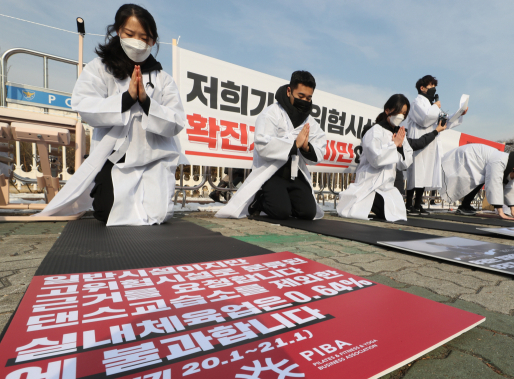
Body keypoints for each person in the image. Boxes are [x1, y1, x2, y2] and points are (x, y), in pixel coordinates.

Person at [36, 4, 185, 225]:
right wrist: (126, 99)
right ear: (117, 32)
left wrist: (145, 102)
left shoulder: (163, 78)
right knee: (109, 214)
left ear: (153, 41)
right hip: (114, 157)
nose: (137, 42)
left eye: (144, 37)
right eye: (130, 34)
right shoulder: (101, 68)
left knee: (158, 215)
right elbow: (84, 104)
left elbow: (176, 121)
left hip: (155, 159)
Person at [216, 71, 326, 220]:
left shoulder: (309, 121)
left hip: (295, 174)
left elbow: (320, 146)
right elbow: (262, 145)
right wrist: (294, 144)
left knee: (308, 213)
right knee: (280, 212)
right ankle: (260, 200)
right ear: (289, 91)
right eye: (301, 97)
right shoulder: (271, 113)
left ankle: (286, 201)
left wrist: (306, 148)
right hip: (273, 173)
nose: (305, 101)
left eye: (309, 98)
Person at [337, 94, 414, 221]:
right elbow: (376, 159)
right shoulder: (374, 131)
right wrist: (394, 144)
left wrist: (399, 147)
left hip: (387, 186)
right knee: (383, 211)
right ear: (388, 110)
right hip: (369, 184)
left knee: (397, 214)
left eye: (404, 113)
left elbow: (404, 164)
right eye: (398, 111)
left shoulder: (400, 134)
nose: (401, 116)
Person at [404, 75, 467, 214]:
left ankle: (418, 204)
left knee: (425, 174)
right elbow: (425, 119)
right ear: (422, 88)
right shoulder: (417, 102)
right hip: (418, 141)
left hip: (430, 142)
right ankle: (409, 204)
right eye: (431, 86)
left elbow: (444, 121)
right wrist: (435, 107)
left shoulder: (432, 105)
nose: (434, 89)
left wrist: (459, 113)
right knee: (415, 173)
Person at [440, 144, 514, 219]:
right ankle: (464, 206)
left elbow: (508, 187)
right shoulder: (499, 162)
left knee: (479, 179)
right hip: (467, 157)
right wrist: (500, 212)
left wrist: (513, 210)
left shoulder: (510, 164)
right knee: (477, 180)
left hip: (476, 161)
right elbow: (494, 185)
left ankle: (465, 205)